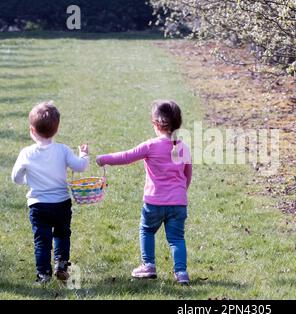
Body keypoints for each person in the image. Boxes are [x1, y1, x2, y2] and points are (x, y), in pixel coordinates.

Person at [96, 100, 192, 284]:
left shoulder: (151, 145)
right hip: (178, 203)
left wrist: (103, 159)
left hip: (154, 202)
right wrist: (180, 193)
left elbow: (126, 157)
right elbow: (187, 175)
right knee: (177, 239)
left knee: (146, 230)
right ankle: (181, 273)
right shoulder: (183, 147)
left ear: (156, 124)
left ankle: (148, 265)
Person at [11, 101, 89, 284]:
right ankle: (61, 265)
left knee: (42, 240)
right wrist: (84, 154)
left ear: (32, 130)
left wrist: (26, 180)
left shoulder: (26, 153)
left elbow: (16, 178)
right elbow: (80, 166)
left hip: (38, 205)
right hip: (61, 203)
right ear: (57, 128)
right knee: (62, 234)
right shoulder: (62, 150)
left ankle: (43, 274)